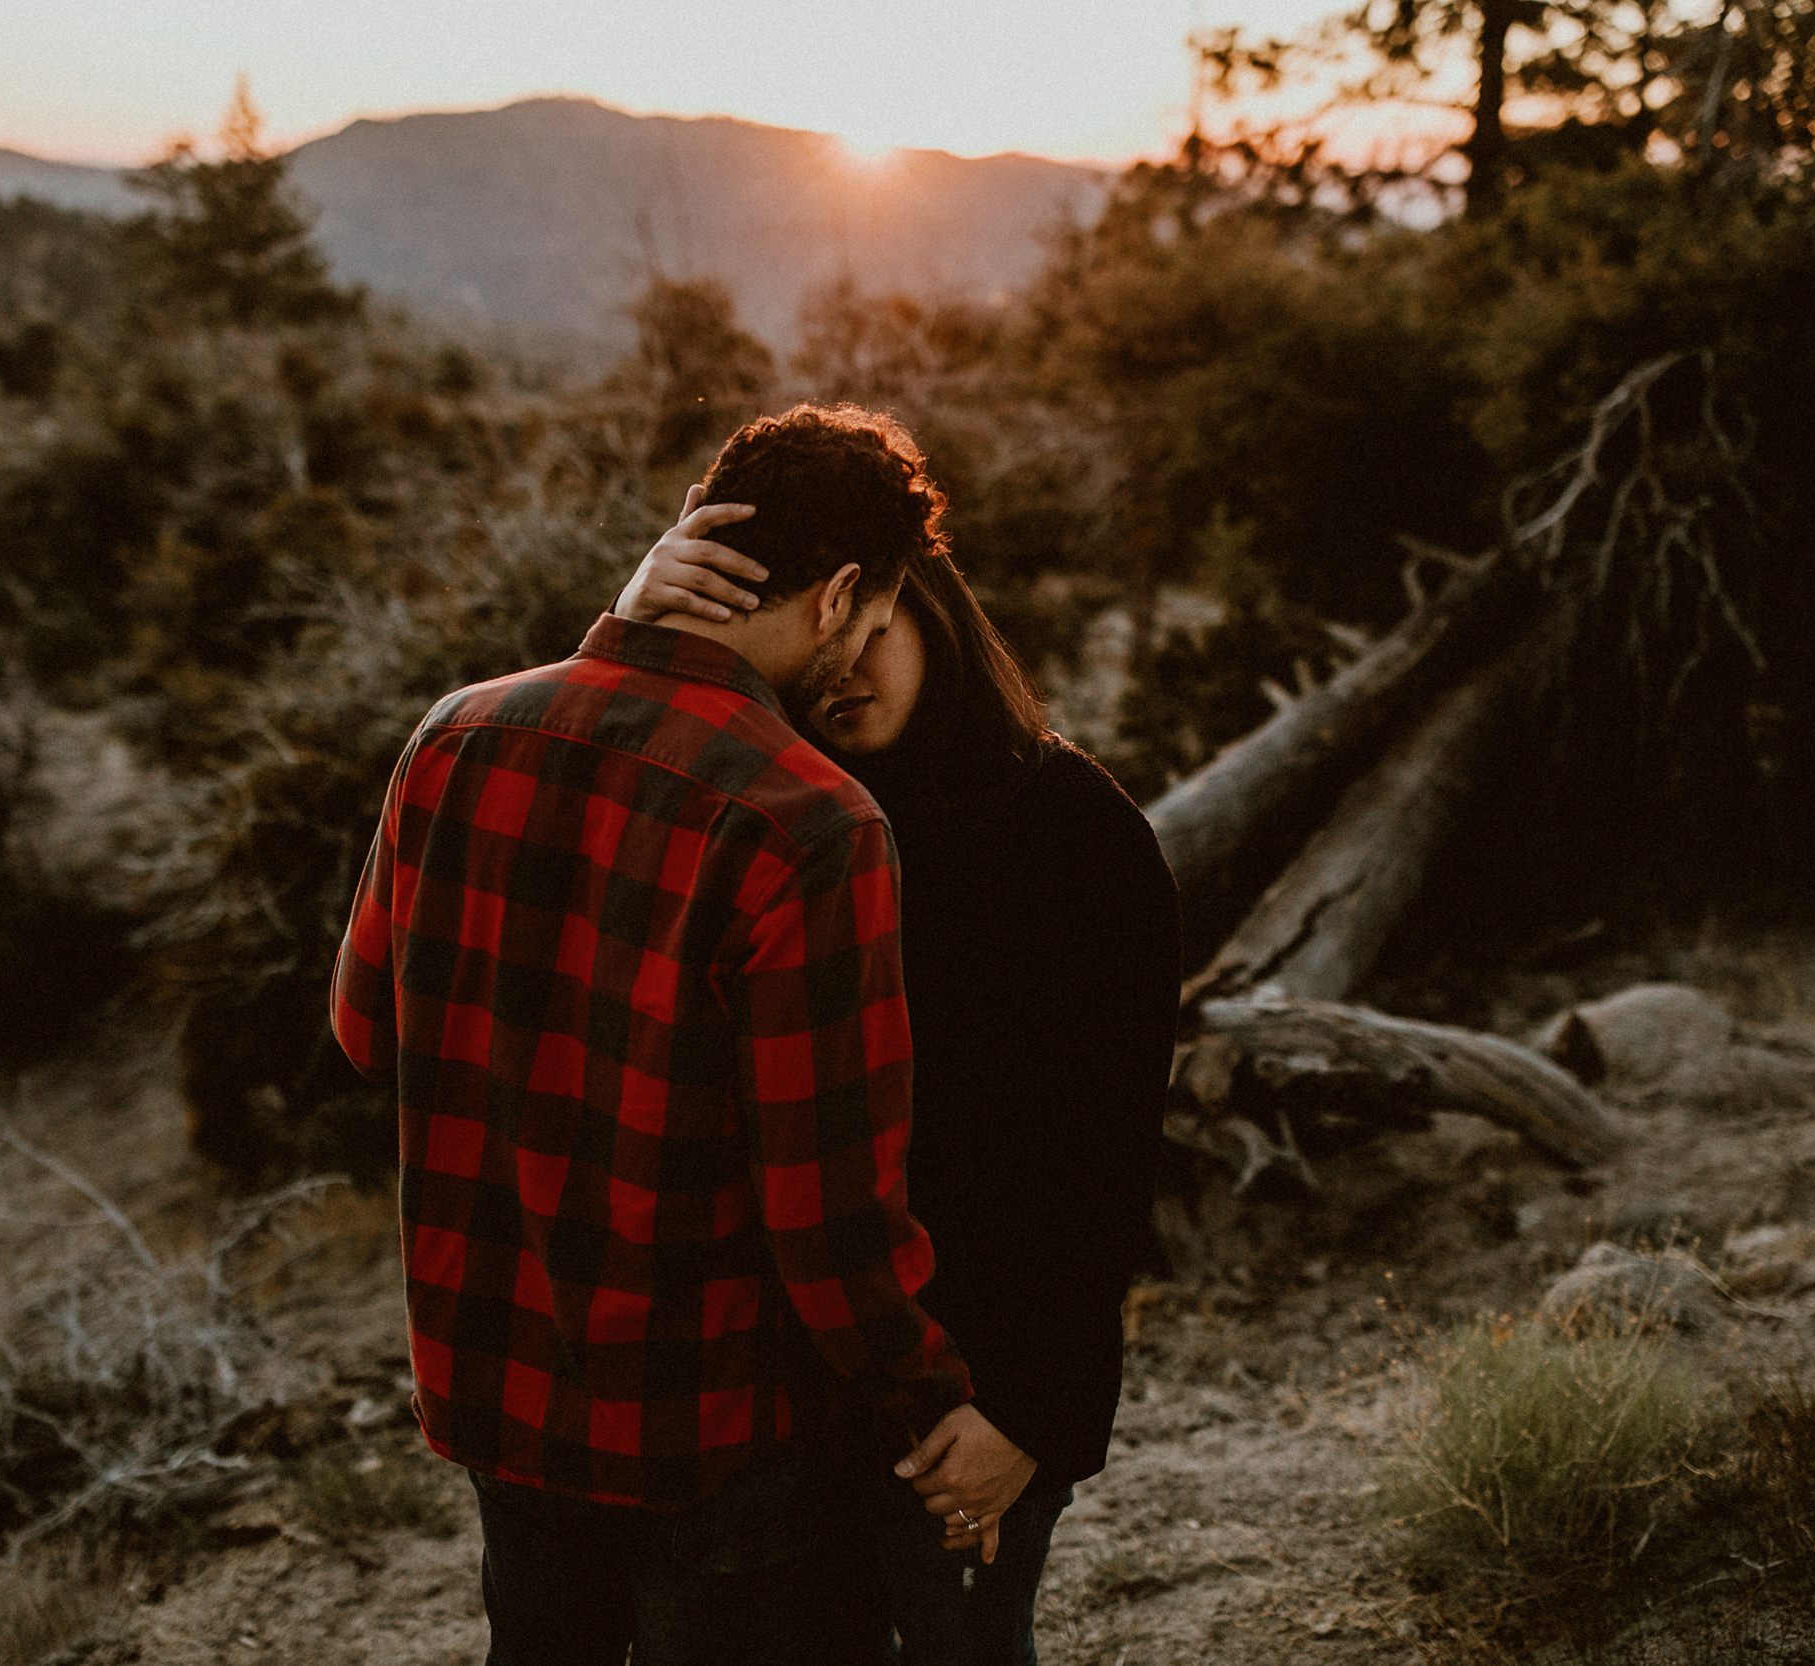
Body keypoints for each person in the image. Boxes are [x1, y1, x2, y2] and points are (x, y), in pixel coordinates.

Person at [330, 404, 981, 1666]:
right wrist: (929, 1391)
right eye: (871, 615)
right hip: (703, 1434)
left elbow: (368, 1034)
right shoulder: (810, 822)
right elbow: (826, 1212)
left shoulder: (456, 734)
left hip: (496, 1390)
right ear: (841, 593)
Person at [619, 482, 1183, 1665]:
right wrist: (633, 627)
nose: (846, 669)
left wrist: (1030, 1416)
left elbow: (1104, 1157)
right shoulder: (758, 814)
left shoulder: (1072, 831)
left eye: (873, 631)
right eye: (819, 643)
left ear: (922, 605)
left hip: (969, 1394)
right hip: (767, 1400)